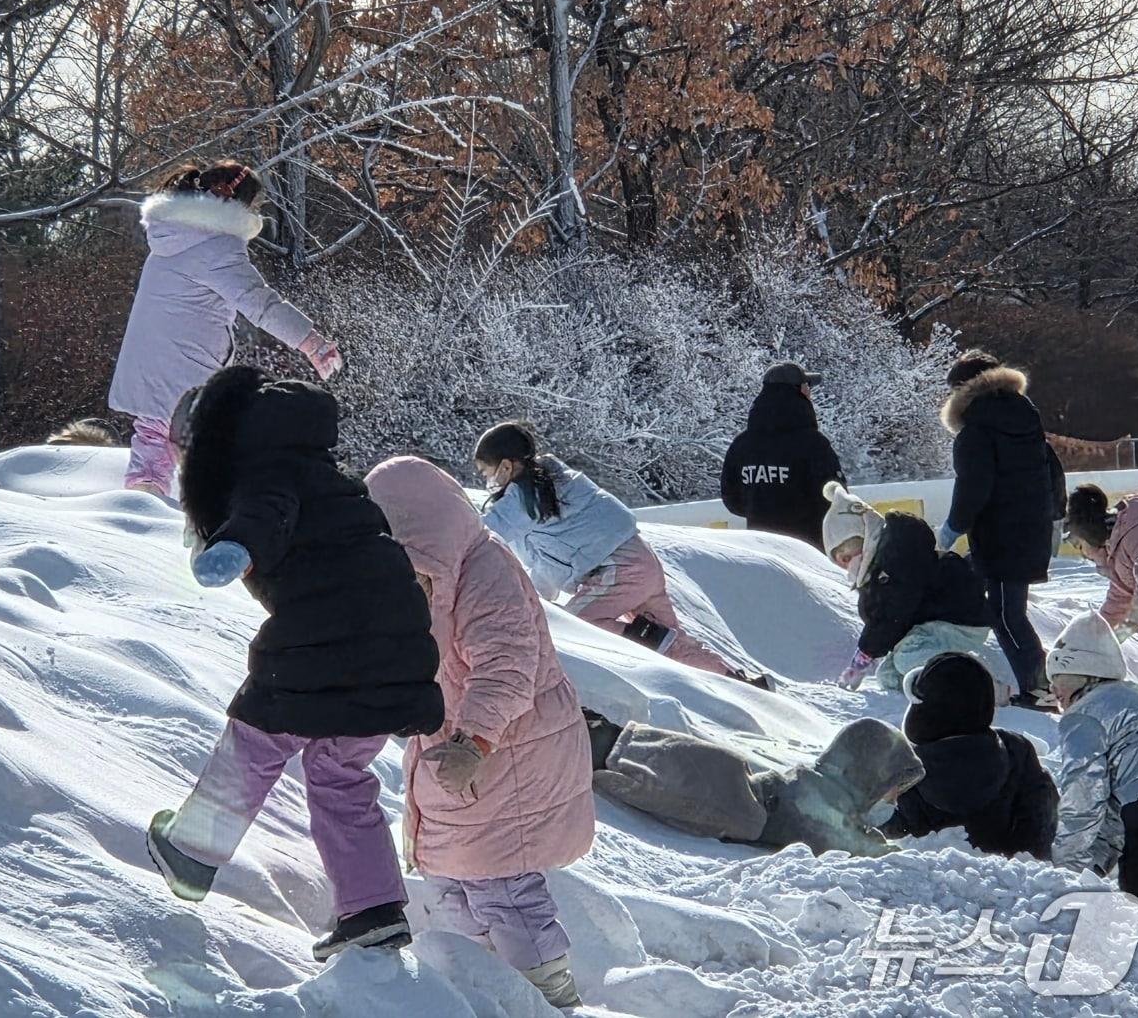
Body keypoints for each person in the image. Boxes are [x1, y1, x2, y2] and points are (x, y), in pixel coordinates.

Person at [145, 367, 443, 960]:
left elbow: (266, 514)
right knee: (339, 774)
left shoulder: (267, 475)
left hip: (325, 645)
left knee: (254, 740)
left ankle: (194, 851)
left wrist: (234, 547)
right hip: (392, 649)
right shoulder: (330, 480)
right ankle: (373, 908)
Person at [365, 456, 595, 1010]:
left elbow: (507, 666)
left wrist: (473, 741)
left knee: (504, 890)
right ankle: (487, 987)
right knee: (451, 882)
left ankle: (549, 997)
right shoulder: (421, 582)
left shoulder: (483, 574)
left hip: (507, 755)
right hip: (456, 762)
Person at [108, 161, 343, 497]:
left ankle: (142, 506)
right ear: (239, 205)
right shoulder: (215, 244)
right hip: (183, 366)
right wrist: (311, 343)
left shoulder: (174, 232)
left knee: (156, 437)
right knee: (212, 442)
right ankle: (190, 512)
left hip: (150, 359)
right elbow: (259, 302)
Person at [474, 421, 757, 685]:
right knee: (673, 642)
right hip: (640, 560)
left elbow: (483, 534)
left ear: (507, 466)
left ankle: (647, 639)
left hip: (618, 568)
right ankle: (736, 681)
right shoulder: (553, 482)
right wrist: (539, 598)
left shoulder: (526, 496)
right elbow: (546, 560)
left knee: (579, 628)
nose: (487, 480)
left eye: (486, 472)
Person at [589, 713, 924, 857]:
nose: (892, 801)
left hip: (725, 779)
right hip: (727, 797)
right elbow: (841, 841)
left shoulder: (823, 788)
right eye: (891, 791)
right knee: (634, 764)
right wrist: (883, 849)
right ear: (867, 775)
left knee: (633, 751)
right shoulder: (816, 799)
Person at [937, 351, 1066, 709]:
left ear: (962, 392)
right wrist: (1055, 516)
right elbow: (1053, 470)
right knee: (1008, 611)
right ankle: (1043, 684)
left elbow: (973, 487)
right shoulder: (1025, 421)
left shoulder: (976, 432)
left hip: (1000, 537)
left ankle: (1042, 688)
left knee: (1008, 616)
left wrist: (951, 528)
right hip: (1030, 532)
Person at [822, 483, 1004, 696]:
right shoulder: (878, 570)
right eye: (840, 562)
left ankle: (980, 684)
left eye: (846, 556)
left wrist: (862, 659)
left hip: (958, 620)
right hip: (929, 626)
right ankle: (928, 696)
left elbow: (893, 613)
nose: (847, 566)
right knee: (888, 675)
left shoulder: (899, 554)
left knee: (907, 657)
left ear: (865, 534)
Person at [882, 653, 1058, 859]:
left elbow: (891, 828)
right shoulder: (1016, 750)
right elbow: (1040, 813)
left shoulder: (907, 765)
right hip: (1012, 878)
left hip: (927, 878)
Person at [1048, 612, 1138, 901]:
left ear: (1081, 675)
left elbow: (1084, 798)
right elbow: (1113, 808)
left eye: (1057, 678)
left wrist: (1066, 872)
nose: (1053, 690)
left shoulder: (1085, 715)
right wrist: (1097, 865)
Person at [721, 361, 846, 548]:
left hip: (763, 551)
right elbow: (835, 497)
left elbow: (732, 499)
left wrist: (763, 509)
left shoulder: (742, 445)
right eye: (807, 386)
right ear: (800, 390)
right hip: (809, 550)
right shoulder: (813, 444)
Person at [1064, 485, 1138, 646]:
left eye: (1079, 545)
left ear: (1088, 535)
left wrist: (1117, 637)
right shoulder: (1117, 549)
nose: (1083, 554)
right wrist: (1095, 636)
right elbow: (1119, 601)